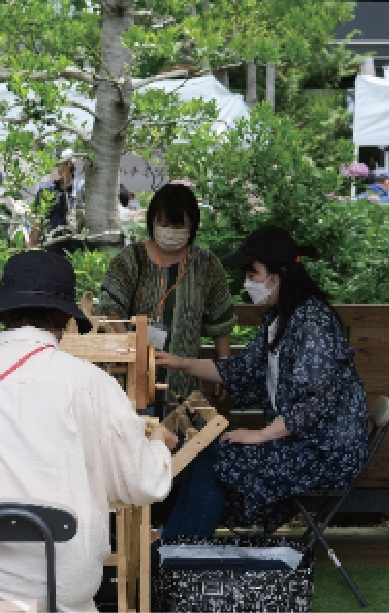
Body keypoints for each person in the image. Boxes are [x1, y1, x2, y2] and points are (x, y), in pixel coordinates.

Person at [0, 250, 176, 611]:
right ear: (65, 319)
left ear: (1, 312)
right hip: (60, 587)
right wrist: (158, 445)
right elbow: (143, 484)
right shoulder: (92, 383)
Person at [155, 225, 369, 536]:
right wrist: (181, 363)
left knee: (214, 458)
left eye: (253, 273)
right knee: (206, 452)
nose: (248, 283)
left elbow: (317, 403)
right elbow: (242, 370)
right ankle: (175, 547)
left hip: (324, 454)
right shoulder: (281, 318)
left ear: (278, 274)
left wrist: (262, 435)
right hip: (301, 445)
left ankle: (181, 553)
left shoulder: (313, 323)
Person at [93, 182, 237, 412]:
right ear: (152, 222)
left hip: (184, 384)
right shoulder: (130, 260)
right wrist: (135, 350)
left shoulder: (207, 265)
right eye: (163, 224)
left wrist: (226, 371)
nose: (170, 230)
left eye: (178, 225)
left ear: (192, 225)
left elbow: (221, 321)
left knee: (182, 441)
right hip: (133, 380)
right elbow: (110, 308)